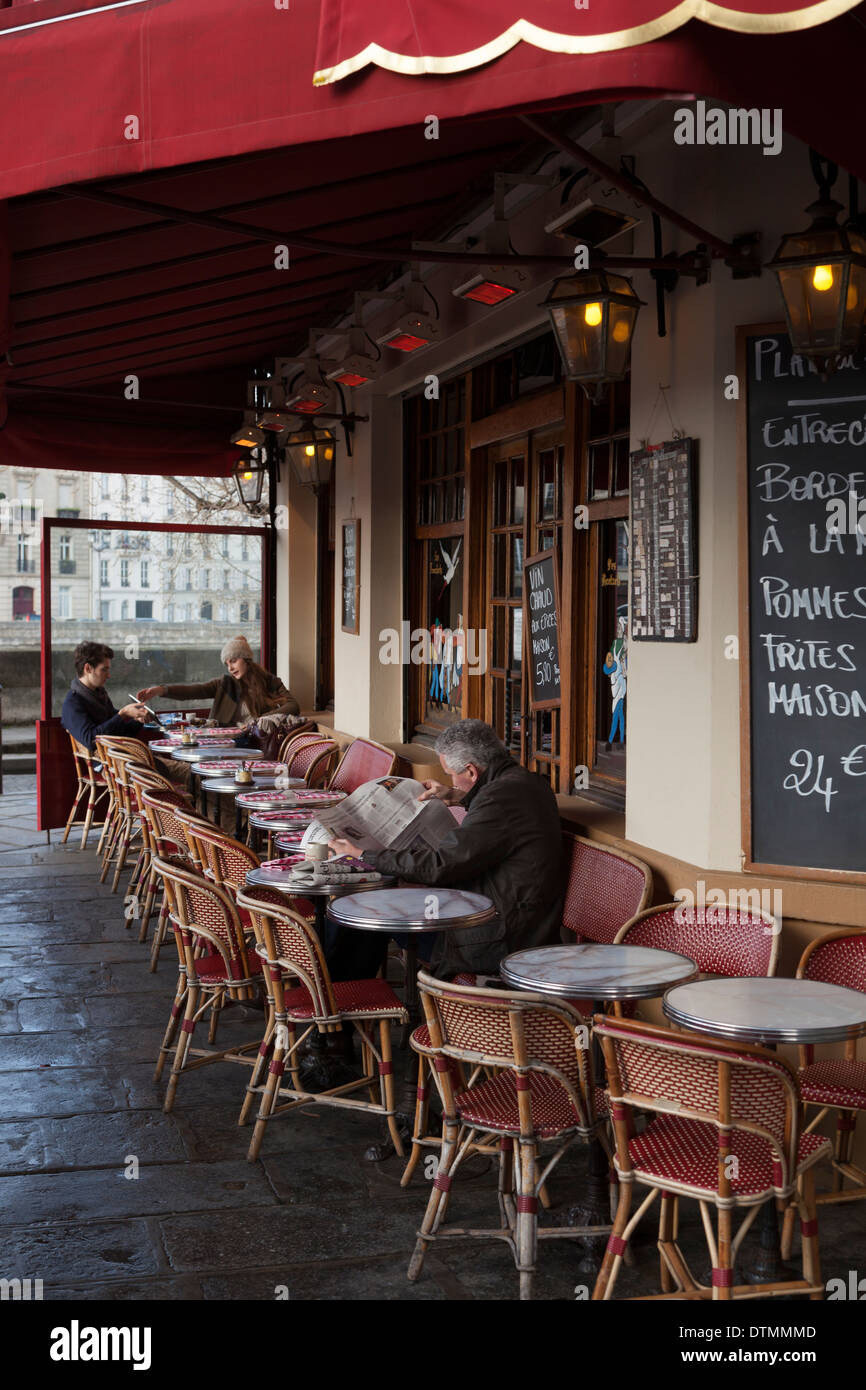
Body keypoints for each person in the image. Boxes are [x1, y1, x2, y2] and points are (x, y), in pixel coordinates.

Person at [328, 719, 564, 979]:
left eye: (452, 774)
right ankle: (344, 1000)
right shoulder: (525, 782)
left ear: (472, 772)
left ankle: (340, 1002)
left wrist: (363, 855)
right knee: (375, 902)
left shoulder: (499, 799)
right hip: (510, 916)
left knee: (365, 910)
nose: (451, 780)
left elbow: (441, 865)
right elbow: (493, 827)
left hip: (496, 936)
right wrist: (456, 795)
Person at [137, 634, 300, 730]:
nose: (230, 667)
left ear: (247, 659)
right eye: (227, 664)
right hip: (226, 739)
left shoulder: (270, 681)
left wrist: (261, 720)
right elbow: (194, 690)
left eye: (234, 661)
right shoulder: (225, 684)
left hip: (253, 742)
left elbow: (293, 705)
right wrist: (161, 690)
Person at [61, 642, 150, 753]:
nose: (109, 675)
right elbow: (90, 740)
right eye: (104, 669)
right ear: (88, 668)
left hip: (123, 758)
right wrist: (122, 714)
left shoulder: (99, 694)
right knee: (176, 768)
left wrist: (138, 720)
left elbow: (122, 732)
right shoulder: (72, 702)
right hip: (112, 765)